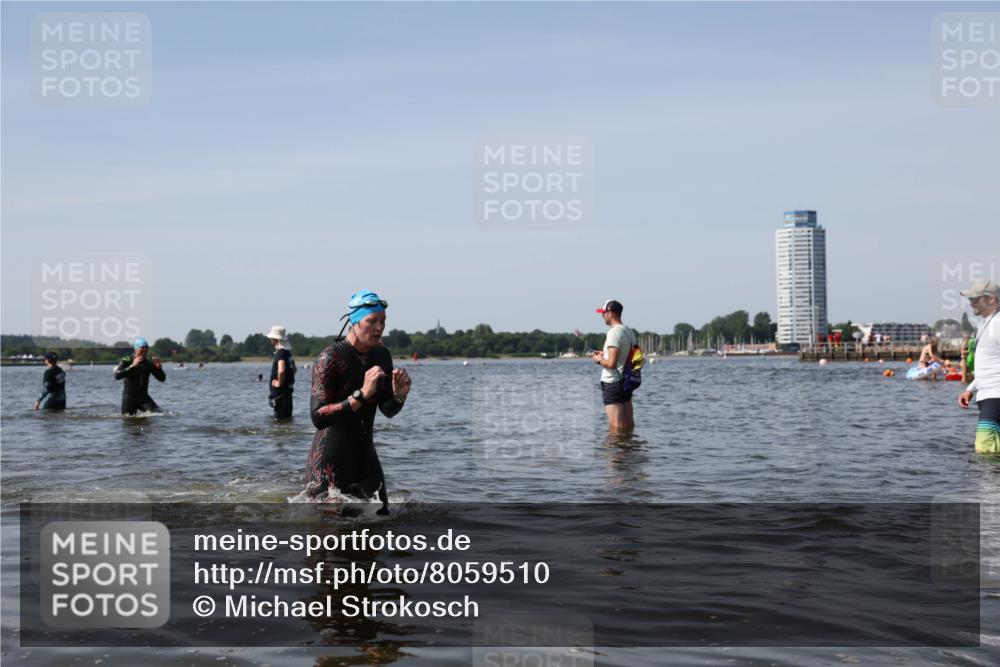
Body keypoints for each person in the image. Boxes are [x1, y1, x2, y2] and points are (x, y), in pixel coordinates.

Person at [304, 291, 411, 513]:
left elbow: (387, 409)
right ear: (354, 321)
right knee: (330, 530)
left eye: (382, 321)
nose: (379, 328)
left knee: (383, 519)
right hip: (329, 463)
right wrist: (361, 395)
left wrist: (399, 395)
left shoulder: (382, 355)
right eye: (372, 321)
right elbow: (318, 417)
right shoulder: (329, 358)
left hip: (366, 460)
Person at [958, 279, 1000, 454]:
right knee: (993, 450)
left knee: (985, 450)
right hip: (987, 395)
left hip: (996, 396)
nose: (970, 303)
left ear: (991, 299)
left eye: (974, 299)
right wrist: (970, 388)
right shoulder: (986, 323)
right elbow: (988, 363)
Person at [591, 299, 637, 433]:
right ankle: (629, 444)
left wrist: (598, 360)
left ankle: (616, 447)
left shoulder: (613, 333)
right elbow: (634, 358)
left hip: (612, 383)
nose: (602, 316)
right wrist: (605, 354)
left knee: (616, 428)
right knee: (628, 425)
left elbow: (611, 364)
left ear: (610, 313)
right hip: (626, 382)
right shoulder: (629, 331)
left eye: (603, 313)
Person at [114, 338, 166, 415]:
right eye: (142, 347)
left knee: (160, 414)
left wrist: (159, 368)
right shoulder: (127, 360)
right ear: (136, 348)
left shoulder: (148, 363)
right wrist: (133, 366)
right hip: (129, 398)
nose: (145, 349)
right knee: (128, 420)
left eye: (147, 347)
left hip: (144, 397)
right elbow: (117, 376)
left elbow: (162, 379)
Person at [265, 325, 296, 420]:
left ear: (275, 340)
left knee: (279, 422)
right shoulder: (288, 353)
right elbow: (294, 369)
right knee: (287, 420)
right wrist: (287, 380)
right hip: (288, 394)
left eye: (272, 339)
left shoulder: (280, 353)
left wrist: (280, 383)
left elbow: (281, 370)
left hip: (280, 396)